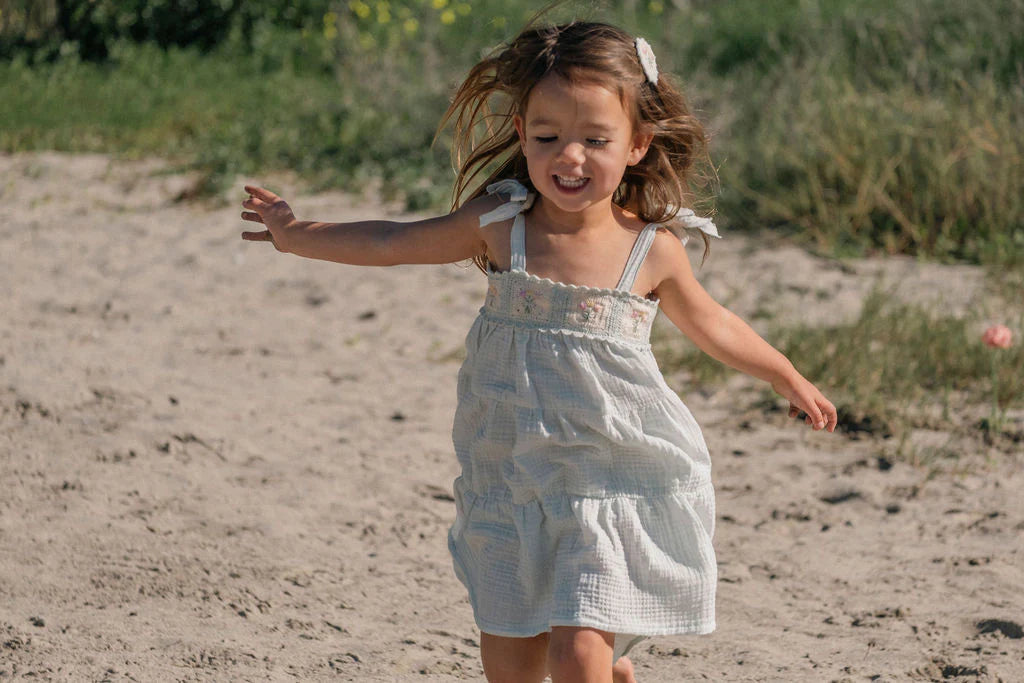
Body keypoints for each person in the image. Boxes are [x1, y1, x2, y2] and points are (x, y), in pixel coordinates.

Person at [240, 19, 837, 683]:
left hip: (602, 478)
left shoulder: (651, 249)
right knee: (513, 667)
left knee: (578, 652)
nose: (569, 157)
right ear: (522, 134)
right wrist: (298, 235)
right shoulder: (502, 226)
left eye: (595, 139)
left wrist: (786, 374)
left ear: (638, 143)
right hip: (511, 476)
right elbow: (392, 241)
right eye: (548, 137)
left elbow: (714, 323)